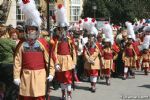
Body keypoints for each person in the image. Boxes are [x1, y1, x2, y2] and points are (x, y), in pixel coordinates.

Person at [13, 0, 55, 100]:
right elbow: (17, 61)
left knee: (40, 97)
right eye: (29, 29)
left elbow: (49, 60)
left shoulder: (42, 42)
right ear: (26, 30)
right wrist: (16, 76)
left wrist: (51, 73)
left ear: (37, 30)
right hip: (26, 76)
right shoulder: (22, 44)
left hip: (40, 76)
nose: (31, 30)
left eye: (33, 29)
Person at [52, 4, 77, 100]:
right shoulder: (56, 39)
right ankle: (63, 94)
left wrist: (74, 62)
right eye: (60, 29)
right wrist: (56, 63)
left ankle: (69, 94)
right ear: (58, 29)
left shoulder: (70, 39)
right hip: (59, 60)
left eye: (63, 29)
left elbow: (73, 51)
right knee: (61, 79)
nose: (62, 30)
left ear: (66, 29)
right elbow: (54, 52)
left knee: (68, 78)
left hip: (68, 60)